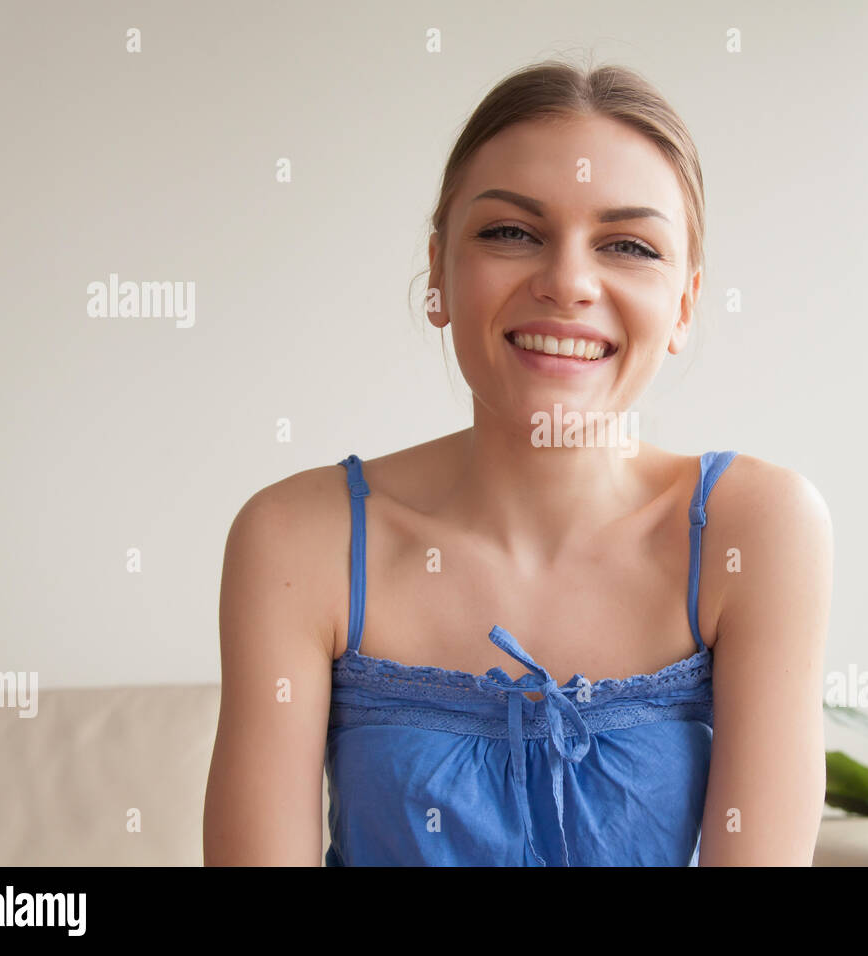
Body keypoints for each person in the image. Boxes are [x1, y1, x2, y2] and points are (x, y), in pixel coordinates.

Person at [203, 56, 833, 866]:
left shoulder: (759, 529)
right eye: (511, 232)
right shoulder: (295, 537)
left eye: (629, 245)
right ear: (438, 271)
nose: (568, 281)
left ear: (683, 305)